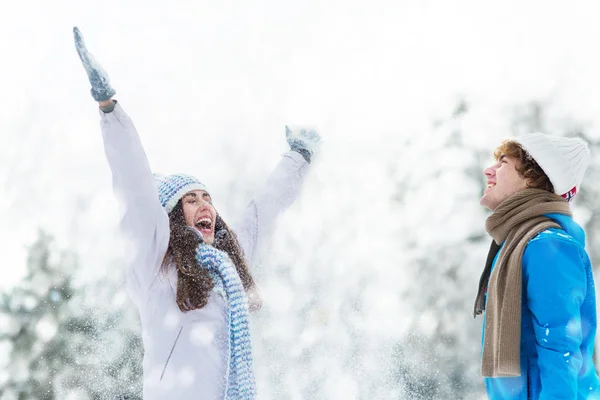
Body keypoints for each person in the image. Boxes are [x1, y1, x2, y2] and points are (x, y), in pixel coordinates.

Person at [73, 27, 321, 400]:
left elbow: (263, 212)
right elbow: (136, 186)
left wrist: (299, 156)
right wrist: (109, 107)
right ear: (171, 216)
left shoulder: (227, 267)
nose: (205, 204)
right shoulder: (155, 264)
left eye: (207, 197)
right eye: (191, 200)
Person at [473, 132, 600, 399]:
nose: (489, 171)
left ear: (532, 177)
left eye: (502, 164)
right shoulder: (515, 245)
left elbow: (560, 348)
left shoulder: (547, 247)